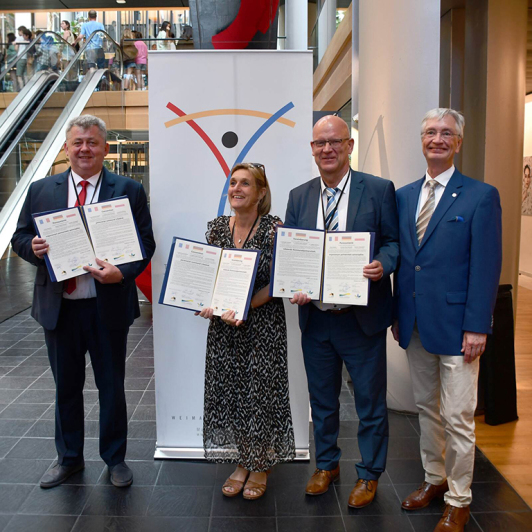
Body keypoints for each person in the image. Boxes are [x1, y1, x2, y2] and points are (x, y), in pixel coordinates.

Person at [11, 115, 155, 489]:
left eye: (92, 142)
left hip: (106, 306)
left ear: (105, 148)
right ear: (66, 148)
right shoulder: (42, 190)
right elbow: (20, 237)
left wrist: (122, 273)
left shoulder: (128, 190)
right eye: (78, 143)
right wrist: (34, 249)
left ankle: (115, 459)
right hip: (60, 309)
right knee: (66, 387)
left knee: (112, 386)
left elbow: (145, 244)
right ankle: (69, 458)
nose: (85, 149)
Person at [392, 108, 502, 532]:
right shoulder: (402, 196)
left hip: (460, 328)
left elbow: (486, 266)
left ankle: (459, 497)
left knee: (457, 415)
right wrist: (398, 312)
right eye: (430, 132)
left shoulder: (480, 195)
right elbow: (405, 261)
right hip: (415, 322)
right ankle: (434, 479)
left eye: (446, 133)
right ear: (421, 140)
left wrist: (479, 325)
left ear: (458, 142)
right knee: (426, 409)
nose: (437, 139)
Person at [285, 115, 399, 508]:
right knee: (322, 400)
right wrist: (294, 284)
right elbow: (295, 253)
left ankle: (369, 474)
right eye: (320, 143)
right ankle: (327, 465)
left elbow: (393, 243)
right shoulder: (299, 196)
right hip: (316, 318)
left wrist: (383, 265)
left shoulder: (379, 190)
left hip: (360, 319)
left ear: (349, 146)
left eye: (335, 142)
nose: (327, 149)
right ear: (312, 149)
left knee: (369, 401)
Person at [197, 162, 295, 500]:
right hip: (223, 327)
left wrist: (245, 306)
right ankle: (242, 460)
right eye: (233, 183)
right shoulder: (216, 228)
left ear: (261, 192)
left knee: (261, 393)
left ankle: (261, 464)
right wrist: (205, 300)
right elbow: (206, 276)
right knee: (233, 391)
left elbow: (281, 279)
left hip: (262, 324)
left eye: (246, 184)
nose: (236, 189)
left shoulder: (273, 228)